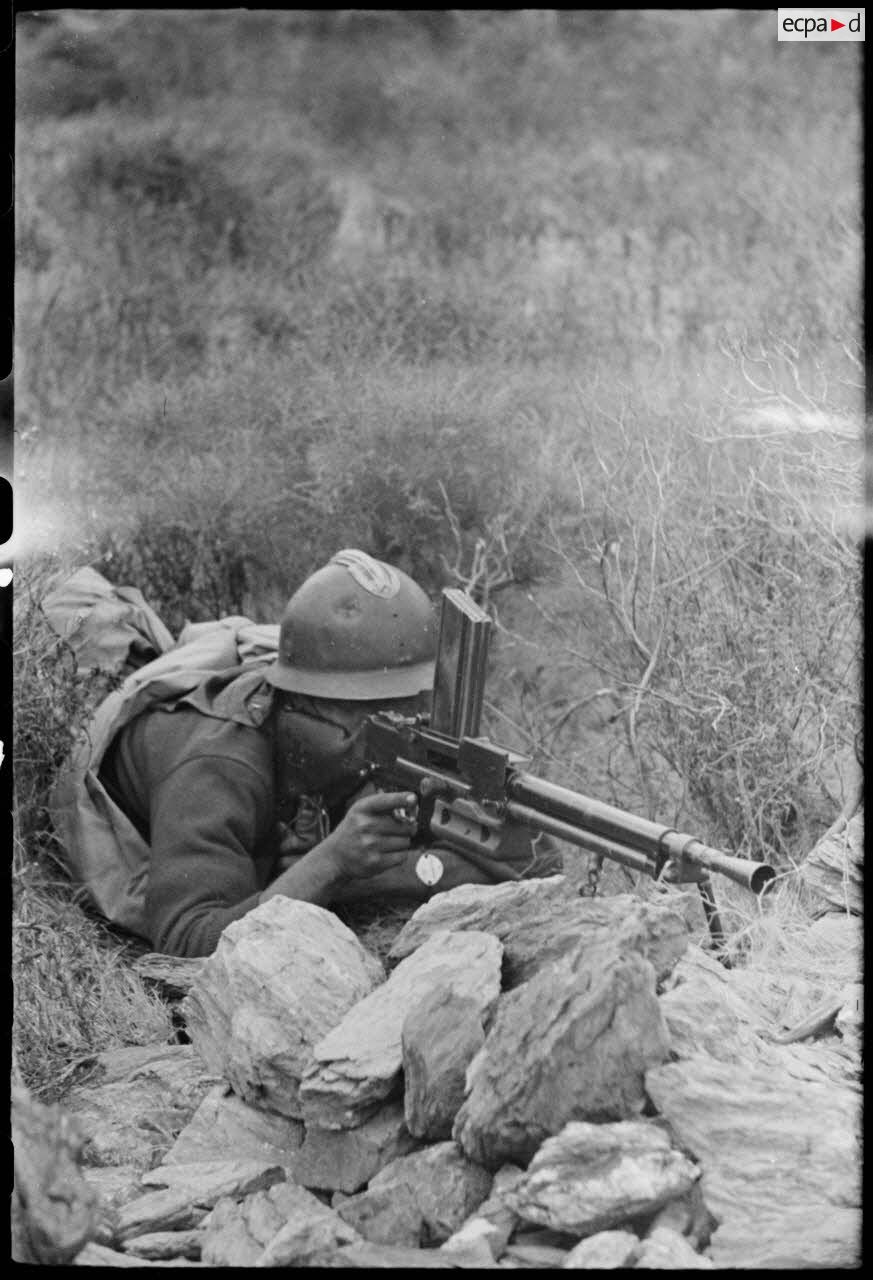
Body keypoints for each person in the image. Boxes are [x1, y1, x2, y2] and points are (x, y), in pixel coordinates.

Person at [97, 550, 558, 957]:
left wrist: (380, 874)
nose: (401, 729)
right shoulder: (218, 765)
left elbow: (534, 859)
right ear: (300, 701)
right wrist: (332, 865)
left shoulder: (360, 739)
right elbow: (187, 941)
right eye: (371, 716)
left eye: (410, 707)